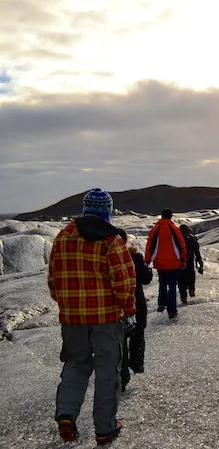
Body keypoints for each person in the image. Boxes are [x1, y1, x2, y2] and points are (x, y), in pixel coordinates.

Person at [48, 188, 135, 445]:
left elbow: (53, 280)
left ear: (85, 208)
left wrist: (67, 304)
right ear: (107, 210)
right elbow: (124, 281)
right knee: (108, 370)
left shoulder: (63, 237)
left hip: (72, 319)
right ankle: (105, 428)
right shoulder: (111, 240)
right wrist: (128, 310)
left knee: (75, 365)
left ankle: (66, 415)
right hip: (106, 318)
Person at [121, 232, 152, 392]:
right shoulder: (135, 258)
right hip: (136, 303)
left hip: (115, 307)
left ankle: (123, 376)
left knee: (120, 342)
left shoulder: (104, 258)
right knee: (138, 333)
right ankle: (137, 364)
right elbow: (147, 279)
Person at [144, 209, 187, 319]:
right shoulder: (174, 228)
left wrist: (147, 260)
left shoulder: (156, 229)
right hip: (174, 262)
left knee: (162, 282)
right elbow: (181, 245)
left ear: (162, 216)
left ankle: (162, 303)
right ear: (171, 217)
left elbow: (150, 244)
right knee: (172, 286)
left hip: (160, 262)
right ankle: (172, 311)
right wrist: (183, 260)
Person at [178, 224, 203, 304]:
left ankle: (183, 296)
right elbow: (196, 249)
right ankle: (191, 289)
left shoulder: (177, 238)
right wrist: (199, 259)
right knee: (191, 274)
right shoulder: (191, 237)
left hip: (180, 260)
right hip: (190, 259)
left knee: (181, 278)